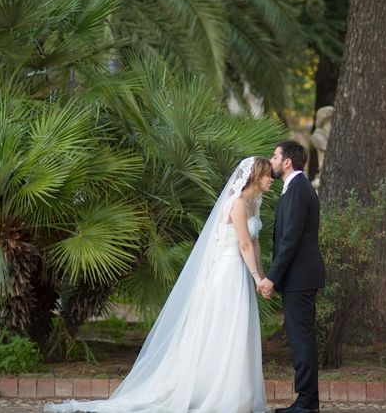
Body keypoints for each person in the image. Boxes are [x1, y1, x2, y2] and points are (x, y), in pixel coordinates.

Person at [45, 157, 273, 413]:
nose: (271, 179)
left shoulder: (254, 203)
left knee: (237, 329)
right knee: (224, 327)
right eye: (267, 175)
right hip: (229, 271)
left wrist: (262, 279)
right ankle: (216, 391)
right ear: (255, 176)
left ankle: (234, 390)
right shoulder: (239, 204)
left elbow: (254, 243)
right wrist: (257, 277)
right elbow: (242, 244)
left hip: (243, 271)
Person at [258, 141, 325, 413]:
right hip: (299, 278)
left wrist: (271, 278)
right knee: (300, 339)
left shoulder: (298, 189)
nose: (271, 161)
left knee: (302, 340)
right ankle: (305, 401)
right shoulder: (294, 189)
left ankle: (308, 404)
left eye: (274, 156)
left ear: (287, 162)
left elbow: (290, 240)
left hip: (301, 278)